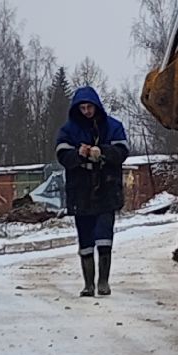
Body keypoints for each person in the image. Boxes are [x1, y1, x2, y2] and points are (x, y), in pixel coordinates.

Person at [54, 86, 129, 297]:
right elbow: (62, 155)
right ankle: (88, 284)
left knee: (104, 234)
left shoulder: (113, 126)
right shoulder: (68, 130)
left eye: (90, 107)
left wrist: (102, 152)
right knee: (85, 236)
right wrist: (79, 154)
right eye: (83, 108)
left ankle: (103, 281)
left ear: (96, 106)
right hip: (80, 190)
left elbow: (122, 152)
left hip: (106, 187)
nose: (87, 111)